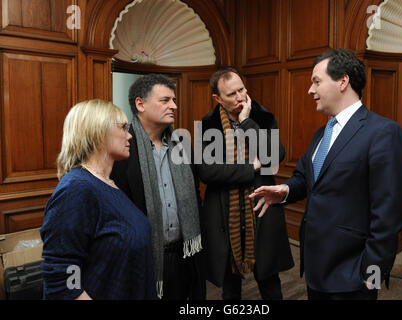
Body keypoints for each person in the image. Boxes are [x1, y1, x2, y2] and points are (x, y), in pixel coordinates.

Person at [249, 49, 402, 300]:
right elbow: (305, 177)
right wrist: (284, 191)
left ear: (343, 82)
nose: (310, 91)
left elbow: (390, 215)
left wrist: (373, 278)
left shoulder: (384, 133)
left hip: (354, 276)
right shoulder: (321, 134)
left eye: (316, 81)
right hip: (316, 272)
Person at [40, 99, 156, 300]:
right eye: (123, 127)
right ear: (98, 132)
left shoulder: (108, 184)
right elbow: (63, 276)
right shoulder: (77, 188)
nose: (130, 135)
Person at [197, 68, 294, 300]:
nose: (240, 97)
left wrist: (247, 122)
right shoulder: (209, 124)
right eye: (232, 94)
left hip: (261, 208)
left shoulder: (262, 117)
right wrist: (251, 168)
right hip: (224, 213)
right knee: (230, 286)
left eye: (242, 89)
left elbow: (274, 156)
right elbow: (208, 172)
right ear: (217, 98)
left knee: (269, 281)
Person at [110, 73, 204, 300]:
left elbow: (195, 195)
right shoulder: (122, 147)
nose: (174, 106)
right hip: (142, 258)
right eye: (165, 100)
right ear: (140, 104)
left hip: (184, 254)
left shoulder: (181, 143)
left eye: (174, 100)